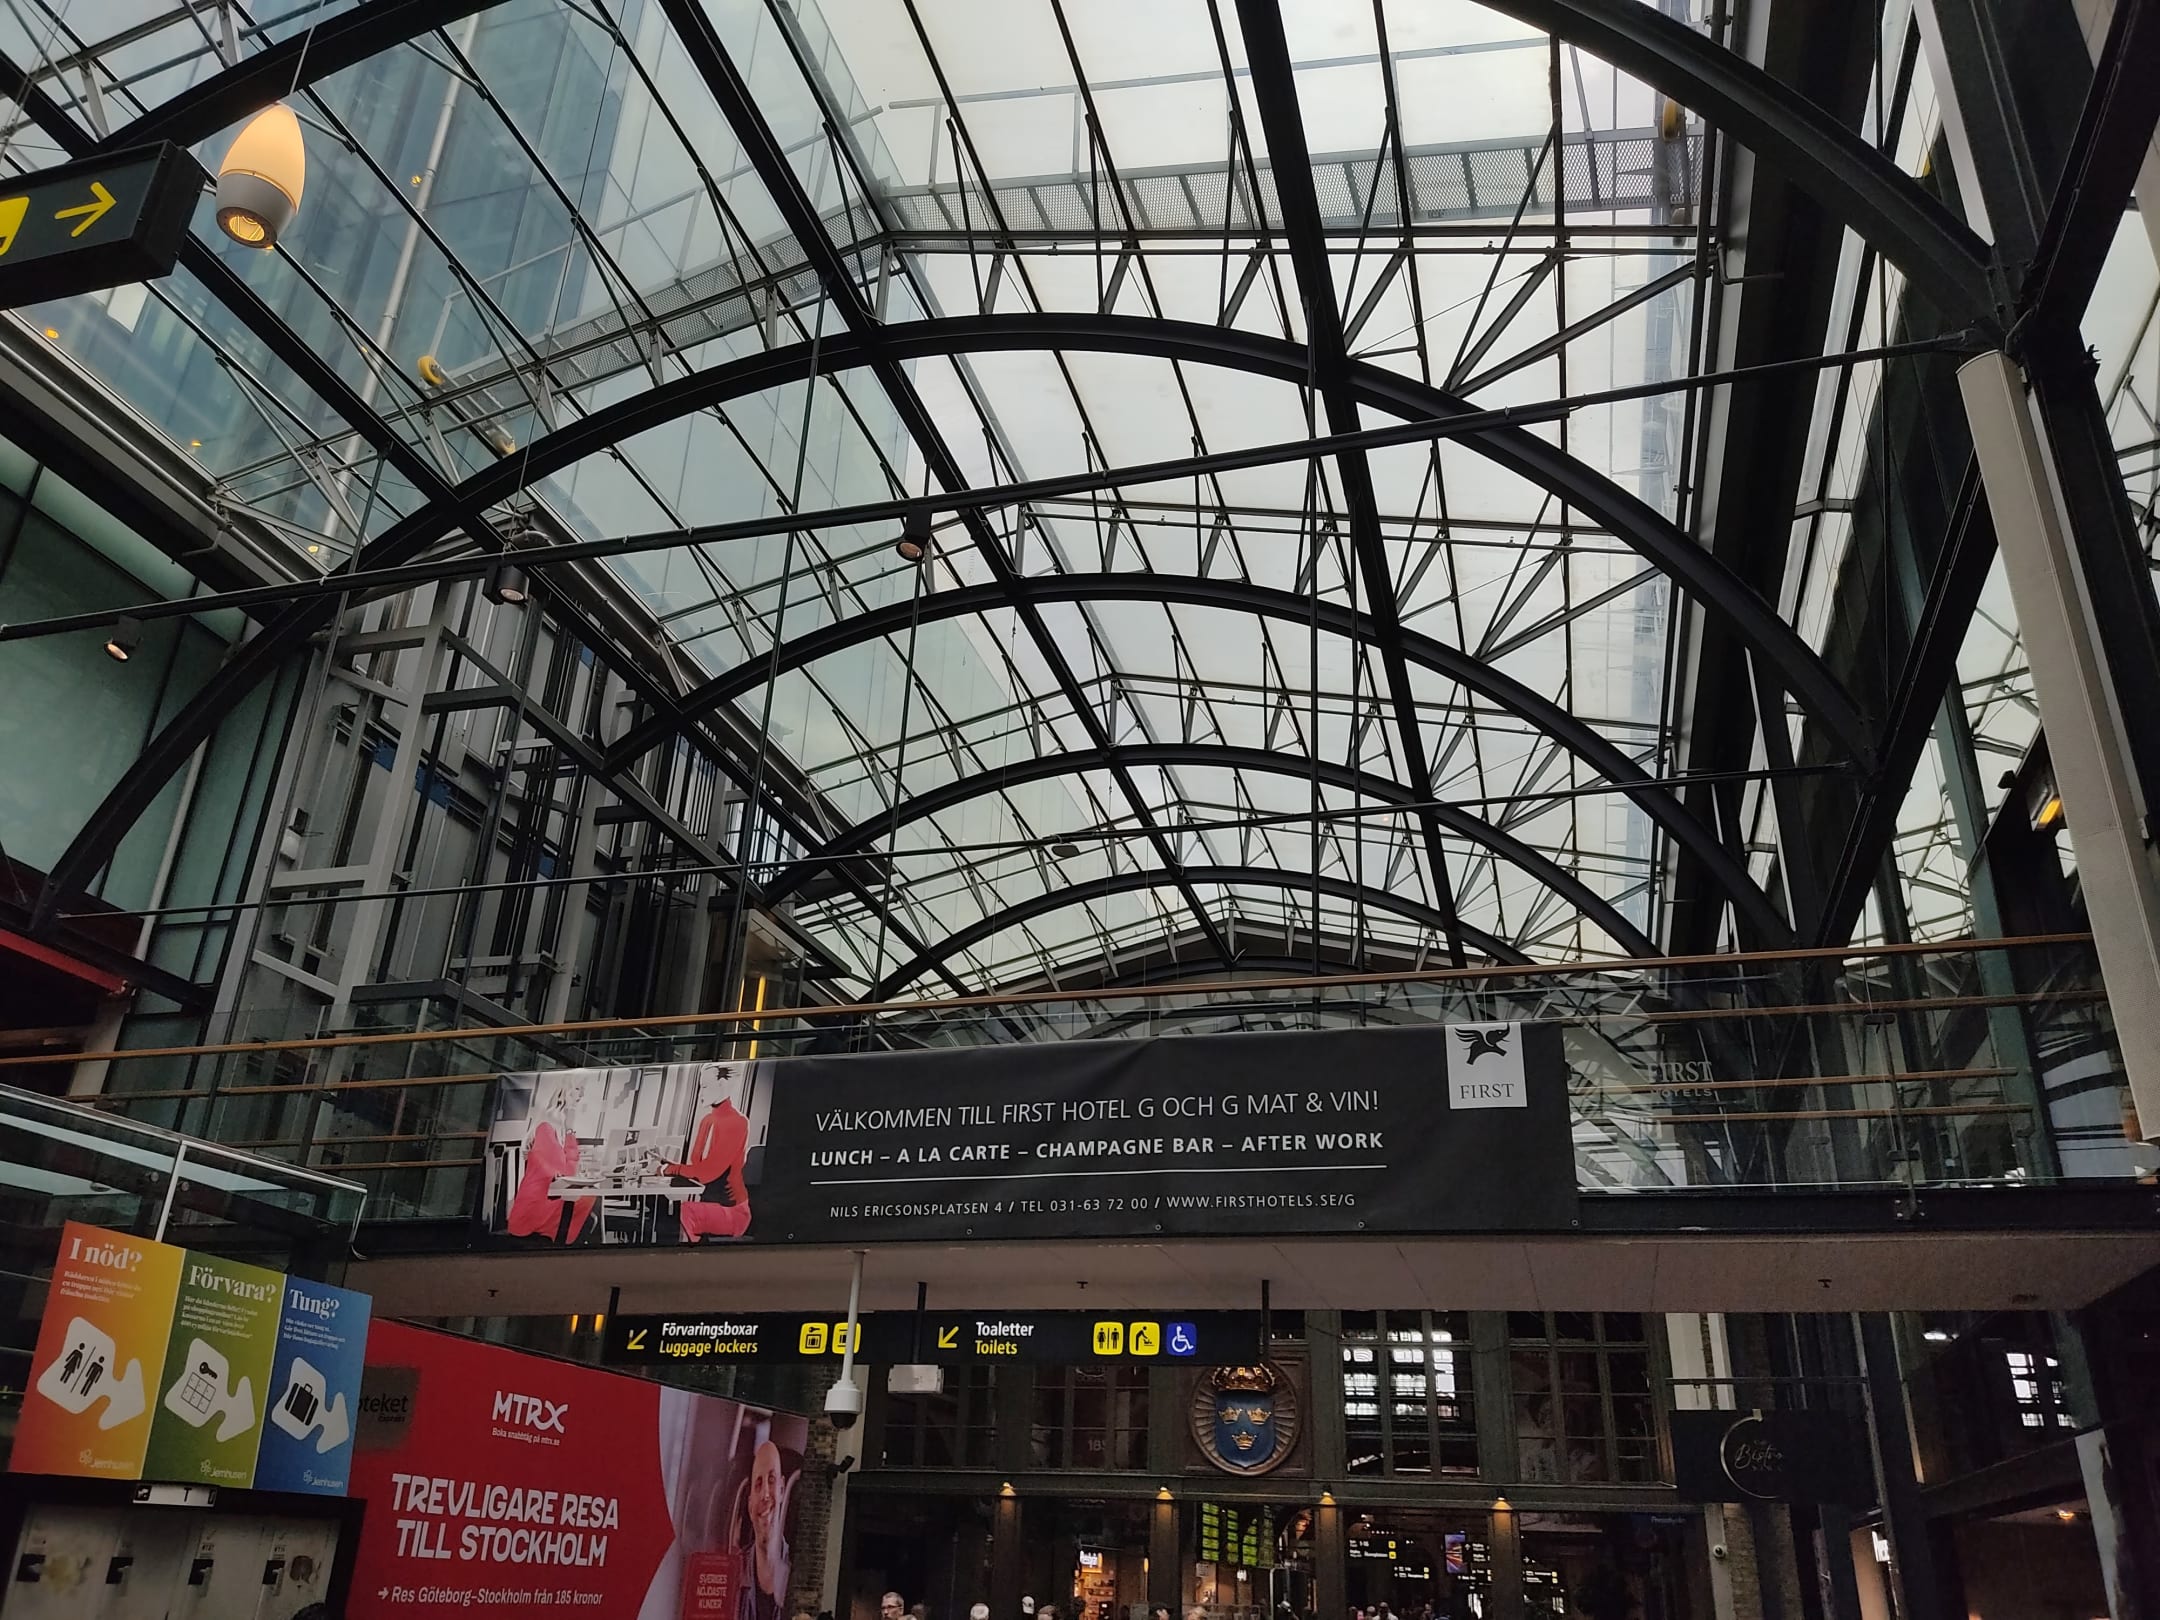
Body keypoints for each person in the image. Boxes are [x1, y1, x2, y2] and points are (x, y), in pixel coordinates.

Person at [667, 1066, 755, 1242]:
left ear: (722, 1084)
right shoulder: (707, 1121)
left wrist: (670, 1169)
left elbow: (707, 1173)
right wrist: (667, 1166)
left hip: (732, 1212)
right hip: (708, 1203)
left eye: (705, 1087)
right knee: (663, 1208)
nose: (701, 1094)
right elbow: (698, 1167)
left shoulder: (737, 1122)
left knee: (680, 1212)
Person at [505, 1078, 596, 1243]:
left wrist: (569, 1130)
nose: (582, 1095)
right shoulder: (547, 1125)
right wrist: (570, 1130)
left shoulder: (558, 1123)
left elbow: (565, 1171)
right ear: (563, 1092)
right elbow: (565, 1172)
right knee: (588, 1200)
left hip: (548, 1197)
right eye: (577, 1089)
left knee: (590, 1198)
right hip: (536, 1207)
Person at [735, 1439, 795, 1620]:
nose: (765, 1494)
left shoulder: (798, 1571)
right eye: (758, 1484)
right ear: (749, 1503)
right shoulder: (733, 1574)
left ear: (782, 1489)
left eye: (771, 1480)